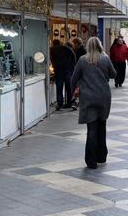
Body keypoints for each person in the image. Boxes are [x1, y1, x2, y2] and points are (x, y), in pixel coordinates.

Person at [71, 37, 117, 169]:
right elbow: (113, 74)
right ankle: (101, 156)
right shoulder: (105, 59)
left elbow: (74, 78)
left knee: (91, 130)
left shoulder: (82, 60)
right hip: (103, 97)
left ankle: (91, 161)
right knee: (102, 126)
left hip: (88, 98)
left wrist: (73, 93)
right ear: (99, 45)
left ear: (88, 46)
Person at [50, 39, 77, 111]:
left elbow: (51, 60)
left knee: (59, 88)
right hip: (68, 70)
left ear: (53, 44)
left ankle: (60, 105)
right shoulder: (66, 48)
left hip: (58, 71)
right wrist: (72, 67)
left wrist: (54, 66)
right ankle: (69, 103)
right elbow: (73, 56)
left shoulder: (52, 49)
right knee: (69, 88)